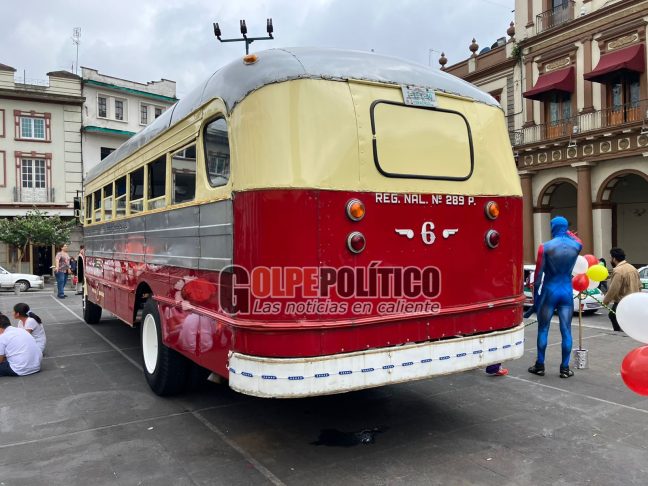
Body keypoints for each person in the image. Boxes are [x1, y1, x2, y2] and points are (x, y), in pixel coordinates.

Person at [524, 216, 582, 379]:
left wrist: (536, 300)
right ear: (565, 228)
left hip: (550, 290)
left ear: (553, 227)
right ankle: (564, 368)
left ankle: (540, 365)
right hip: (566, 291)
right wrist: (569, 233)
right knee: (566, 330)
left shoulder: (546, 247)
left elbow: (538, 275)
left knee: (543, 329)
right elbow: (578, 239)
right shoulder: (576, 246)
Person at [603, 247, 641, 332]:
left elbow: (613, 289)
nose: (610, 260)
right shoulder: (633, 268)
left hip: (622, 301)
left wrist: (605, 301)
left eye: (610, 258)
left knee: (613, 316)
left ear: (614, 258)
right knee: (625, 318)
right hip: (634, 300)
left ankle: (620, 334)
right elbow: (640, 286)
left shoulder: (618, 270)